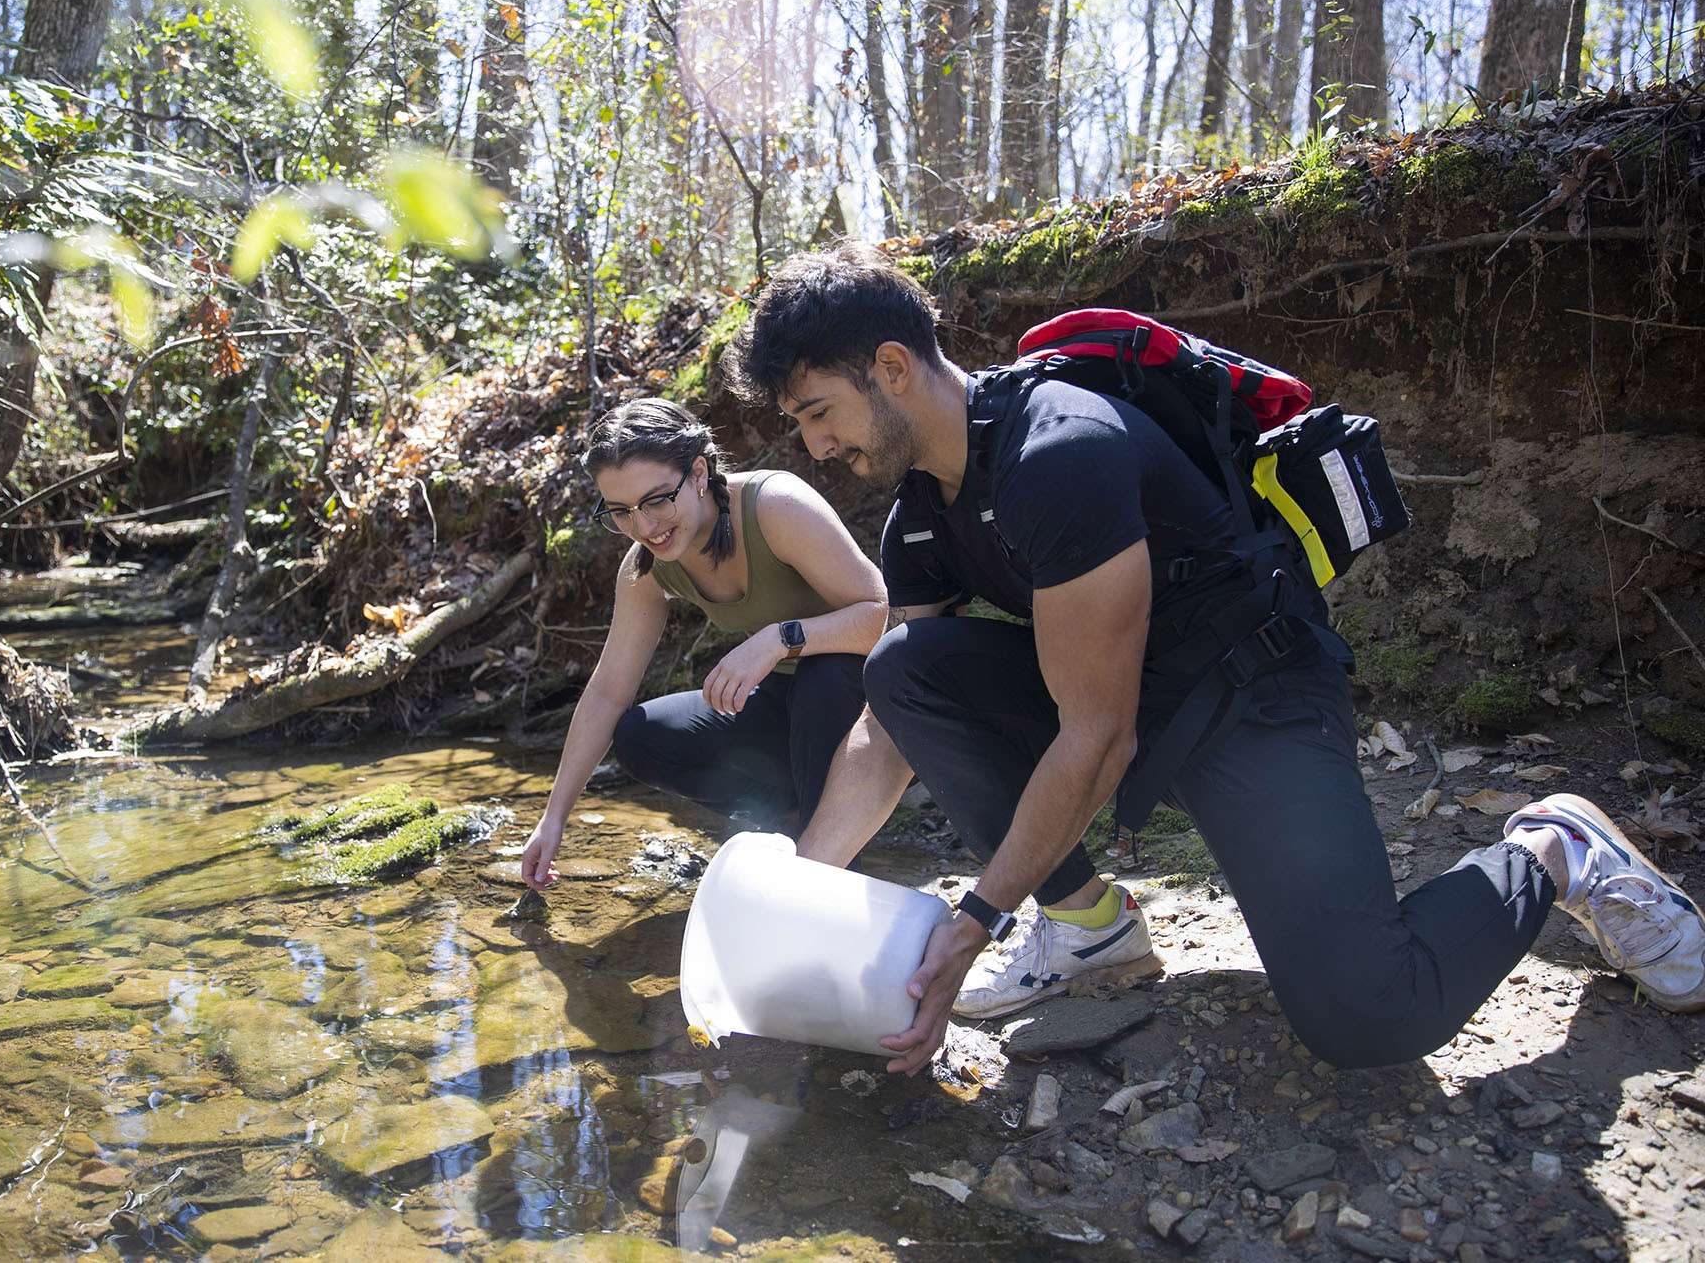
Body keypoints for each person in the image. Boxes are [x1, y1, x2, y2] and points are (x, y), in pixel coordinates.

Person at [725, 241, 1705, 1077]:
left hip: (1253, 695)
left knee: (1368, 1013)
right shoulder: (921, 522)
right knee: (902, 667)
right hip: (1129, 693)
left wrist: (974, 917)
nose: (814, 445)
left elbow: (1095, 736)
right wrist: (794, 896)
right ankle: (1088, 927)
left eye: (817, 412)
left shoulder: (1054, 451)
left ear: (890, 367)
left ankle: (1555, 847)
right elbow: (885, 719)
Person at [520, 397, 889, 890]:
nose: (644, 527)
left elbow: (883, 617)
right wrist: (554, 817)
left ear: (698, 473)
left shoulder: (776, 506)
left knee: (823, 678)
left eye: (656, 500)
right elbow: (609, 691)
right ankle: (794, 820)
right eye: (621, 512)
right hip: (784, 708)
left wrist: (779, 640)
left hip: (868, 703)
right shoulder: (646, 567)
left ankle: (836, 870)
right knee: (639, 735)